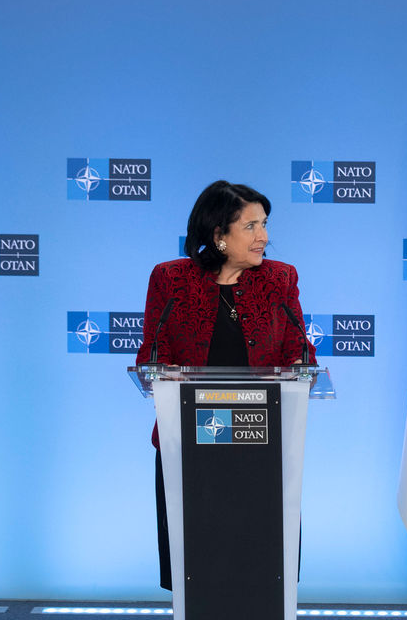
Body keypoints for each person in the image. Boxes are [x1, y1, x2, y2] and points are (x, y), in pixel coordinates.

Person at [135, 180, 315, 590]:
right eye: (251, 226)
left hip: (262, 450)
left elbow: (300, 354)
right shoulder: (170, 280)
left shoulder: (280, 280)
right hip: (189, 452)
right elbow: (151, 355)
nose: (265, 237)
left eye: (265, 224)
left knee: (262, 574)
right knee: (197, 574)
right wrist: (160, 370)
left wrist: (304, 367)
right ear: (219, 235)